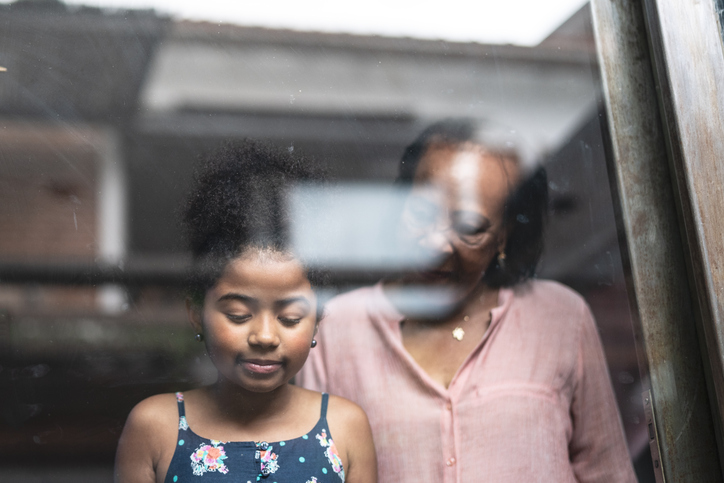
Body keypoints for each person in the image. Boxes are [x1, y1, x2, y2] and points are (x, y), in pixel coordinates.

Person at [298, 119, 637, 482]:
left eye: (470, 227)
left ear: (505, 235)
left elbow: (607, 472)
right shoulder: (337, 328)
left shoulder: (561, 317)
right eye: (421, 214)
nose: (435, 245)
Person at [115, 141, 377, 483]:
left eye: (290, 318)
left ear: (318, 319)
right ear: (196, 311)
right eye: (239, 314)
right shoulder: (154, 427)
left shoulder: (345, 428)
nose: (265, 336)